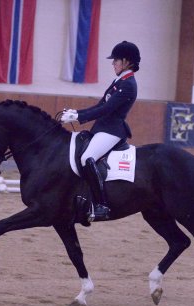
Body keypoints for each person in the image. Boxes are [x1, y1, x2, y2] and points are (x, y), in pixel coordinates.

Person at [60, 40, 140, 222]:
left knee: (87, 159)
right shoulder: (119, 81)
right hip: (102, 128)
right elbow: (100, 105)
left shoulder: (128, 84)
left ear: (127, 61)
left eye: (116, 61)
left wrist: (78, 118)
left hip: (112, 130)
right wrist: (76, 113)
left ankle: (101, 205)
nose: (113, 64)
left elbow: (106, 109)